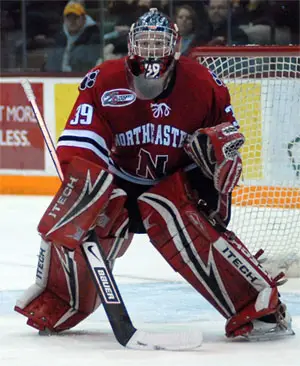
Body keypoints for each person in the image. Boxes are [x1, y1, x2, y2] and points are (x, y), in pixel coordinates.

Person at [15, 8, 294, 341]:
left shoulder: (204, 84)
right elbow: (81, 143)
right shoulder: (104, 80)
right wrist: (85, 187)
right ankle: (62, 297)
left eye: (158, 42)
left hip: (174, 186)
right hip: (118, 183)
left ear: (174, 47)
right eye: (144, 42)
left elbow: (227, 142)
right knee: (86, 209)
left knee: (174, 214)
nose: (150, 50)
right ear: (131, 45)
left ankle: (253, 301)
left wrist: (216, 168)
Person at [44, 1, 101, 72]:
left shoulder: (94, 36)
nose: (72, 21)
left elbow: (89, 64)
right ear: (64, 19)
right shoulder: (59, 36)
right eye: (69, 17)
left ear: (84, 18)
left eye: (76, 17)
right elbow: (51, 64)